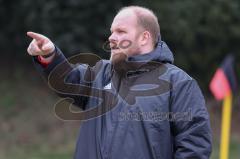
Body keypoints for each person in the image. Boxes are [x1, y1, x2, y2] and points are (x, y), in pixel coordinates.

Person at [27, 5, 212, 159]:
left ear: (144, 37)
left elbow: (194, 147)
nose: (111, 37)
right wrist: (50, 56)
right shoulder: (100, 73)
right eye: (111, 31)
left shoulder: (179, 84)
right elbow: (68, 80)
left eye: (120, 31)